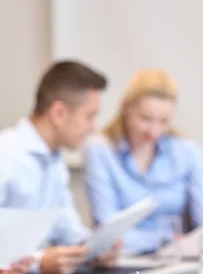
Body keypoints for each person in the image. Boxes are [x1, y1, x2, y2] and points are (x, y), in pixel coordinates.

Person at [84, 69, 203, 255]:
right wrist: (165, 239)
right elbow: (108, 233)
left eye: (164, 121)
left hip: (175, 259)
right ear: (125, 108)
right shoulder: (100, 150)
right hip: (121, 261)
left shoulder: (187, 152)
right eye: (145, 119)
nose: (154, 131)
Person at [0, 60, 121, 274]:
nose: (93, 128)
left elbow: (66, 228)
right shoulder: (6, 156)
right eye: (89, 116)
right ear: (58, 114)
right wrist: (40, 262)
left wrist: (95, 249)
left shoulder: (54, 161)